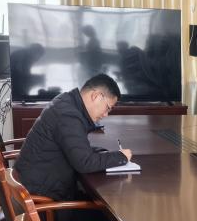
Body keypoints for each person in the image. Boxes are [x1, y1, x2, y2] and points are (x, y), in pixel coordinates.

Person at [14, 73, 131, 208]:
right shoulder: (68, 115)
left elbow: (74, 147)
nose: (106, 114)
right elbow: (84, 163)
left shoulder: (66, 101)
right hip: (42, 203)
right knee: (104, 212)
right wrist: (121, 156)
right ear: (96, 96)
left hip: (35, 189)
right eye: (108, 108)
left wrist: (100, 152)